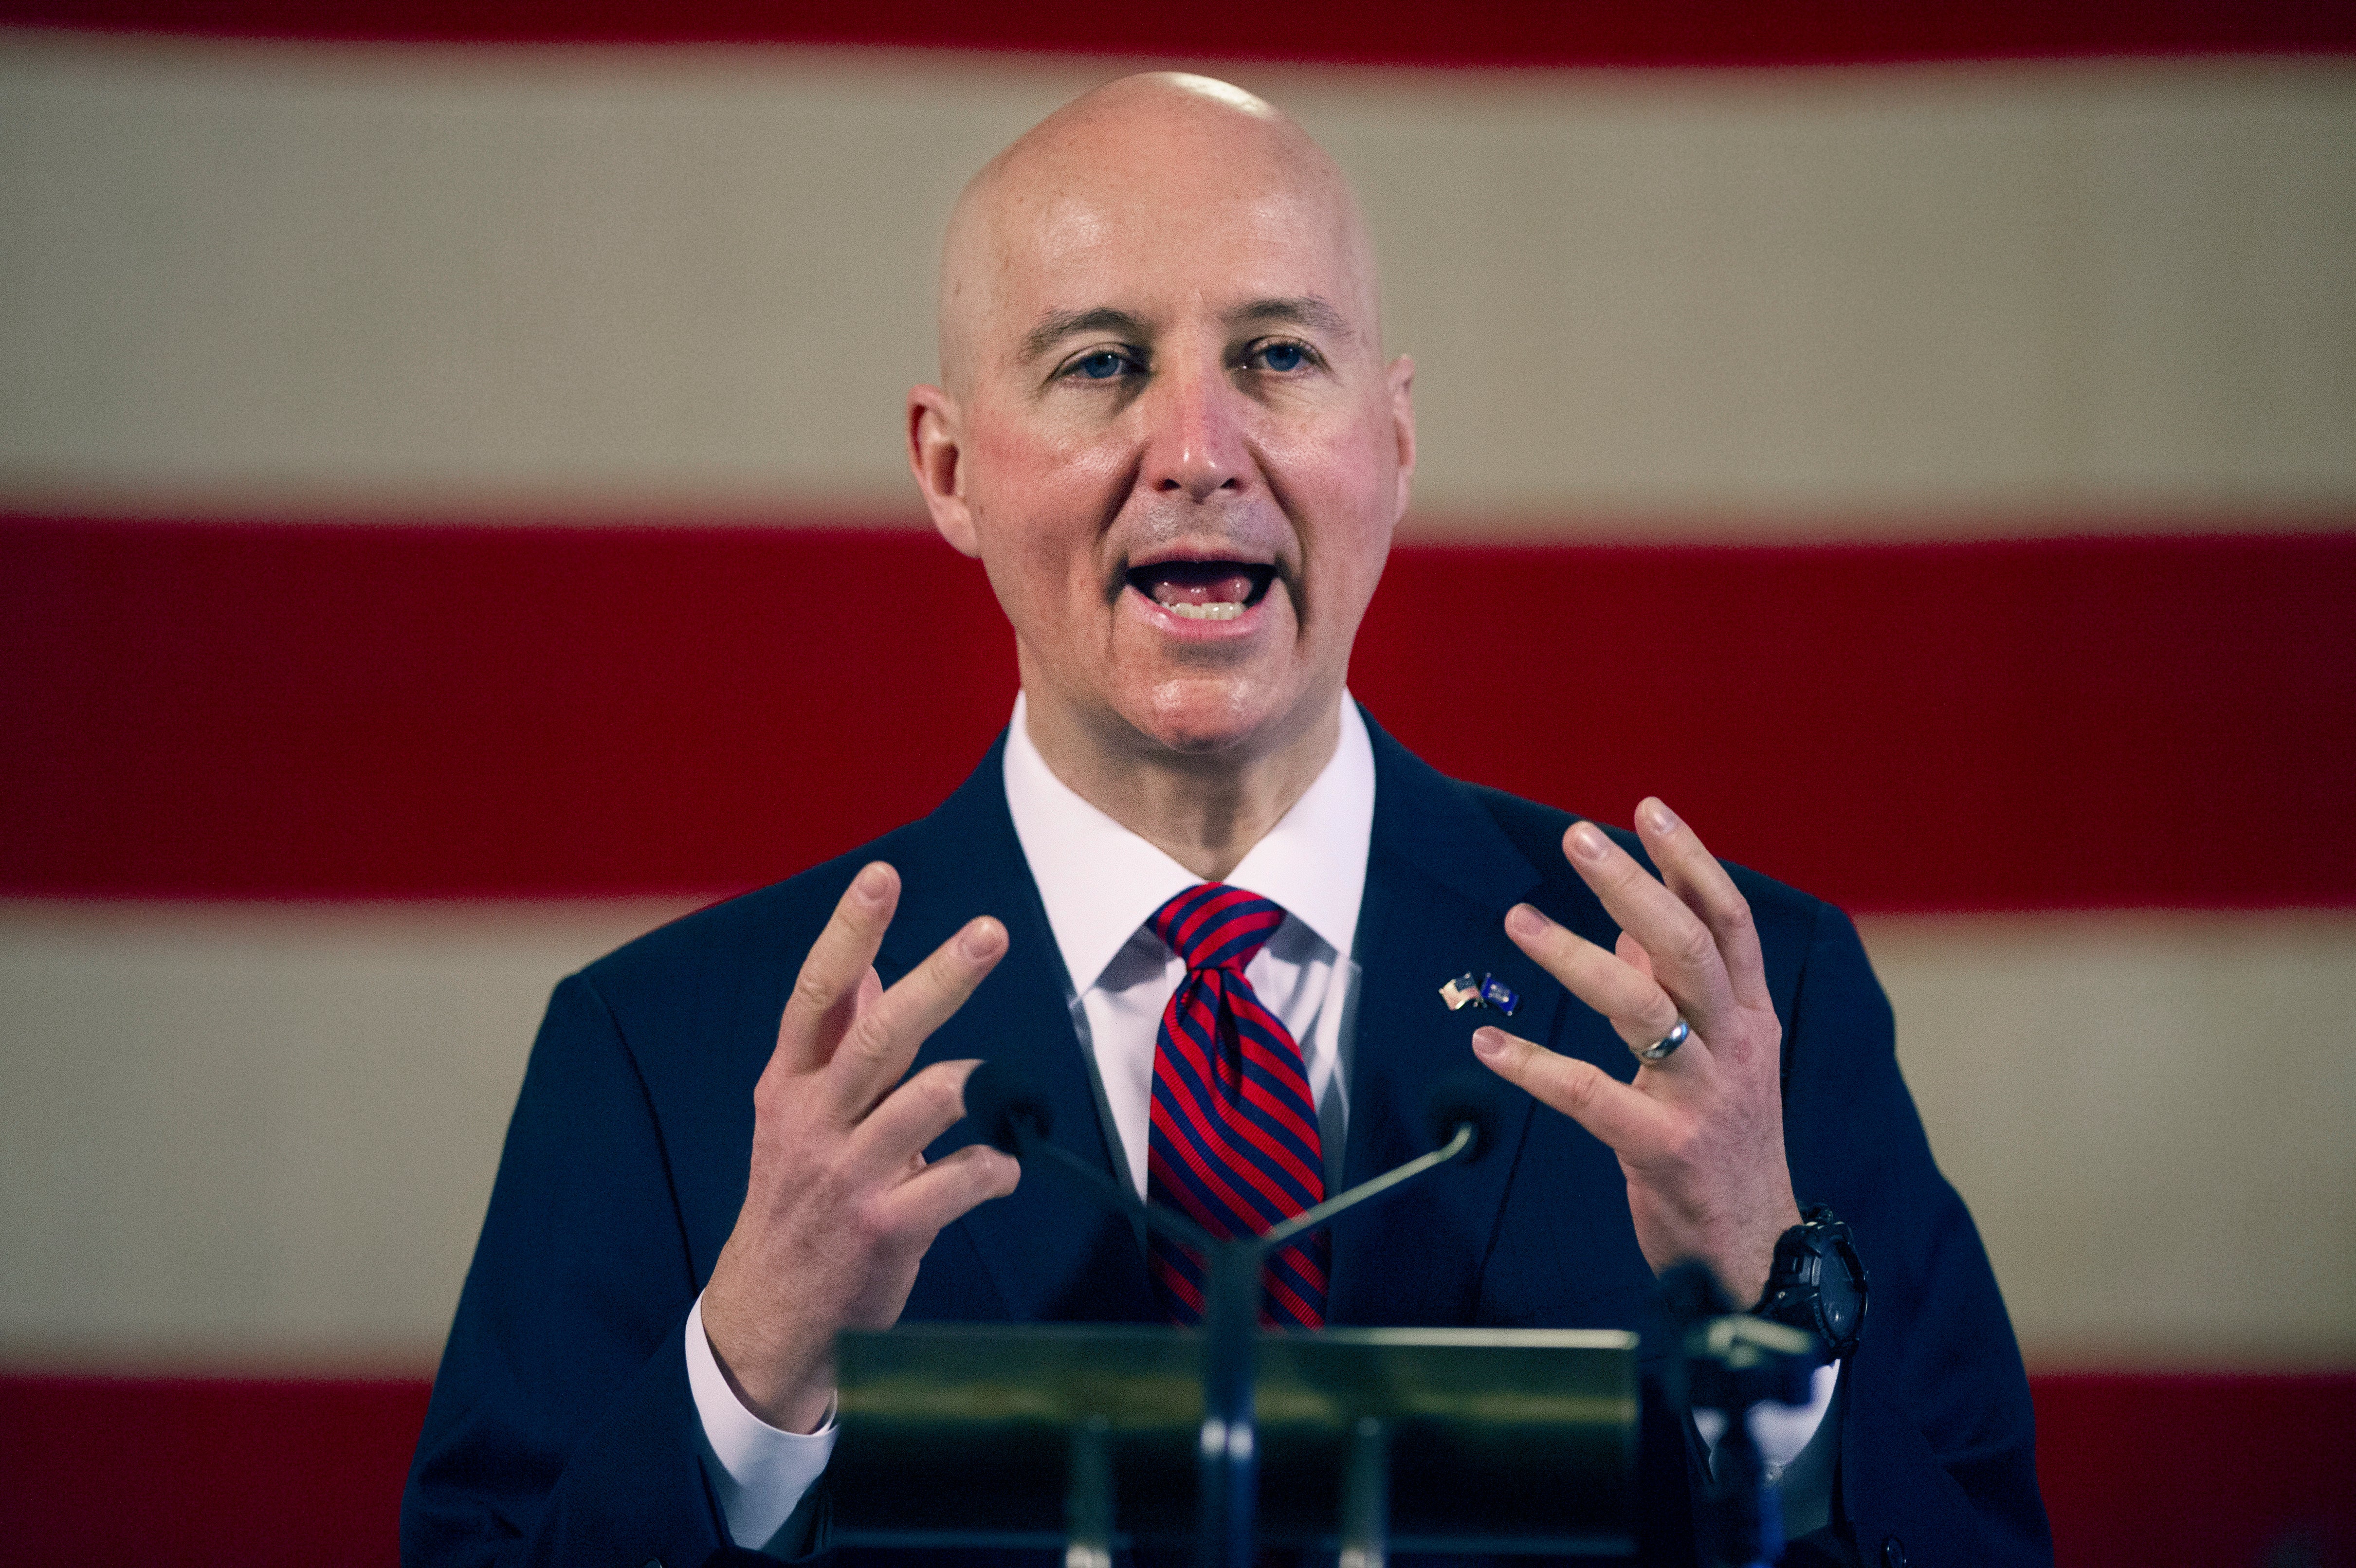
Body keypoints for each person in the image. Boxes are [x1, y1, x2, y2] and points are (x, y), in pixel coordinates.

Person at [402, 73, 2048, 1568]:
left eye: (1275, 356)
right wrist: (749, 1377)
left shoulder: (1741, 1017)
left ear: (1390, 446)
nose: (1197, 451)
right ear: (950, 467)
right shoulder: (665, 1057)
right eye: (1100, 364)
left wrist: (1775, 1324)